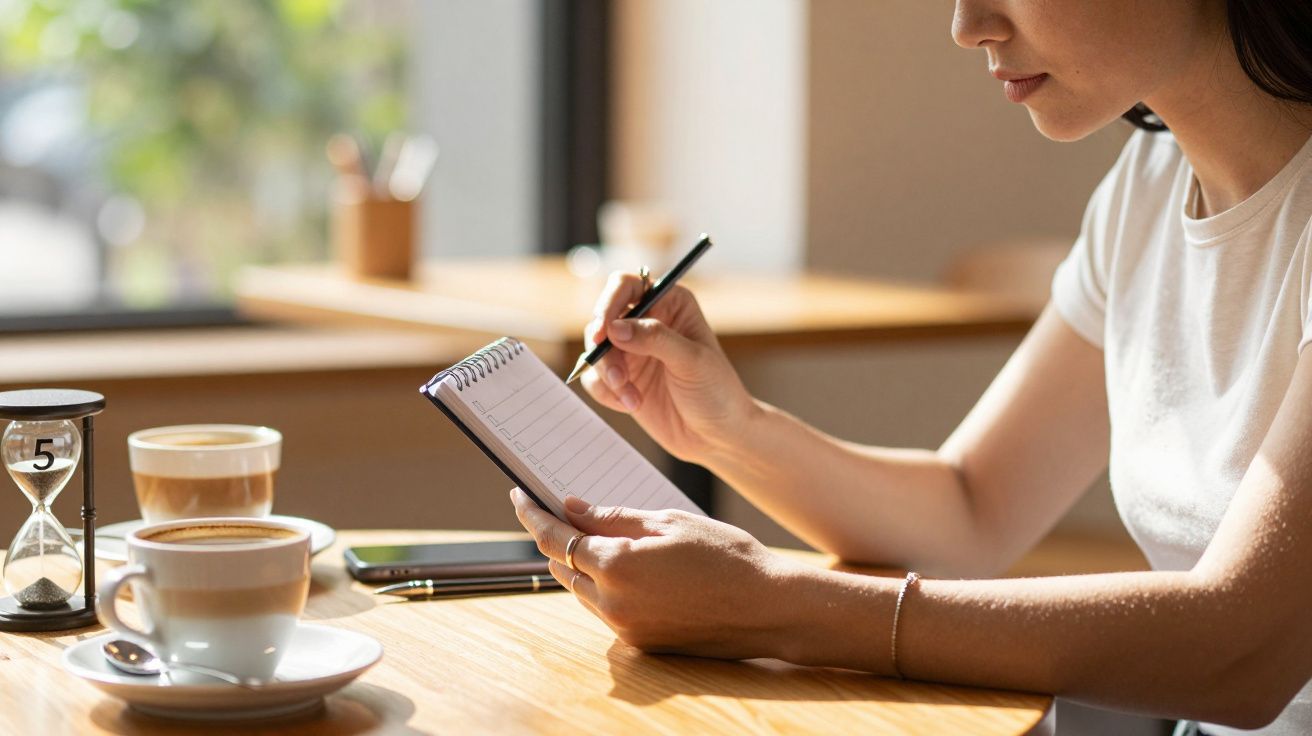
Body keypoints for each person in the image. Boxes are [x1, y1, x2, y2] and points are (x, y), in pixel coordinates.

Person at [509, 1, 1312, 732]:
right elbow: (972, 508)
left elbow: (1242, 652)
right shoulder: (1148, 185)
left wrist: (773, 606)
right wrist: (728, 429)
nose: (968, 26)